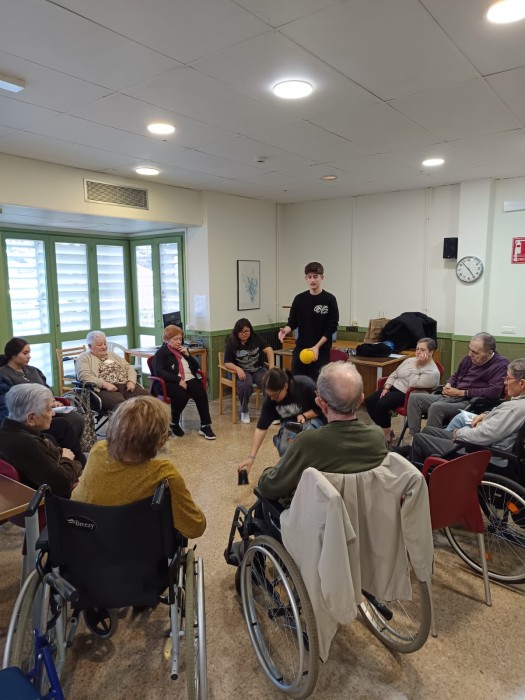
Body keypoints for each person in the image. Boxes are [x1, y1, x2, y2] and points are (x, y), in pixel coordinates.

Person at [72, 396, 206, 540]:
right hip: (139, 547)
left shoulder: (98, 451)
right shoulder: (164, 473)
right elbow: (195, 528)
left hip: (89, 540)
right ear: (159, 439)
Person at [257, 361, 388, 501]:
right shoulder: (378, 437)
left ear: (321, 403)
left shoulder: (307, 442)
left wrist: (267, 472)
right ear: (361, 399)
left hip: (318, 513)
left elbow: (270, 487)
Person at [406, 359, 525, 467]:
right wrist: (487, 414)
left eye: (508, 378)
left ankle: (422, 478)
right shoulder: (518, 405)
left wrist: (458, 433)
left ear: (522, 383)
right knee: (428, 431)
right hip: (483, 445)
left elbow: (482, 435)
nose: (504, 382)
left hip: (483, 454)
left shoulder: (514, 409)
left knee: (420, 439)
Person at [406, 332, 508, 441]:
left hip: (471, 402)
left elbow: (494, 391)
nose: (470, 354)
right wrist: (449, 384)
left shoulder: (500, 364)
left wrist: (462, 393)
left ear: (489, 353)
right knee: (414, 398)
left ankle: (430, 442)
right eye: (470, 349)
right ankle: (414, 438)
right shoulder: (469, 358)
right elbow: (456, 376)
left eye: (475, 352)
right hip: (453, 396)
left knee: (436, 407)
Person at [0, 337, 86, 464]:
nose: (29, 356)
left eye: (29, 352)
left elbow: (46, 389)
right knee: (63, 424)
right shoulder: (3, 375)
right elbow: (7, 404)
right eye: (25, 353)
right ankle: (66, 459)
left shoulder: (34, 370)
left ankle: (71, 455)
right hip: (29, 417)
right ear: (13, 354)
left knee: (76, 419)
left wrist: (53, 401)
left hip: (47, 410)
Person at [0, 384, 82, 497]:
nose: (53, 413)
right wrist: (67, 459)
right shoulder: (28, 444)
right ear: (31, 418)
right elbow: (63, 485)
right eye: (49, 409)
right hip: (54, 501)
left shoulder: (6, 431)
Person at [237, 367, 325, 473]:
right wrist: (251, 458)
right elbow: (261, 428)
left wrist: (305, 415)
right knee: (286, 449)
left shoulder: (305, 385)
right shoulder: (270, 400)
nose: (272, 399)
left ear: (285, 386)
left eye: (275, 395)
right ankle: (282, 442)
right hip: (291, 424)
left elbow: (322, 408)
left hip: (314, 419)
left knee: (306, 442)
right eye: (269, 395)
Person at [364, 338, 440, 445]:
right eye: (417, 349)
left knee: (382, 404)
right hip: (393, 387)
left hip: (408, 394)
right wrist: (386, 387)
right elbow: (395, 373)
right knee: (370, 401)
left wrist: (416, 365)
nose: (418, 352)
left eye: (422, 350)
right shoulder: (409, 360)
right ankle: (388, 431)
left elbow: (413, 384)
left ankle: (386, 437)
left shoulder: (433, 372)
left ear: (431, 352)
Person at [152, 325, 215, 440]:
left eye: (180, 339)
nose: (178, 342)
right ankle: (174, 423)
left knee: (200, 393)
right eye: (175, 339)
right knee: (182, 396)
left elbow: (196, 368)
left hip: (188, 377)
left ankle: (205, 425)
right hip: (168, 382)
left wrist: (188, 355)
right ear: (167, 339)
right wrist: (178, 380)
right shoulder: (161, 353)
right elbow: (159, 372)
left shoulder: (182, 350)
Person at [278, 262, 339, 380]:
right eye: (309, 277)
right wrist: (285, 330)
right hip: (301, 349)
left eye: (315, 276)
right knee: (298, 383)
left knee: (318, 385)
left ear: (322, 277)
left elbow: (332, 327)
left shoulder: (330, 299)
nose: (312, 280)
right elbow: (292, 322)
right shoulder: (299, 299)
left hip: (321, 351)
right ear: (306, 278)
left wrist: (316, 347)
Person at [75, 331, 148, 412]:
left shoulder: (112, 354)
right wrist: (104, 384)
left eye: (105, 343)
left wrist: (131, 381)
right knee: (122, 407)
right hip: (103, 389)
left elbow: (128, 367)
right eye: (99, 344)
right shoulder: (84, 358)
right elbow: (84, 376)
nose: (104, 347)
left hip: (126, 385)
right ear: (90, 346)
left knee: (147, 398)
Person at [223, 318, 275, 424]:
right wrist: (238, 369)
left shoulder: (256, 338)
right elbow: (227, 362)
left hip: (257, 369)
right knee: (245, 385)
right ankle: (244, 411)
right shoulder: (232, 342)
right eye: (241, 332)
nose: (244, 334)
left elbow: (269, 350)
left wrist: (271, 369)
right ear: (237, 332)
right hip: (241, 371)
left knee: (269, 382)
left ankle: (269, 411)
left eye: (247, 331)